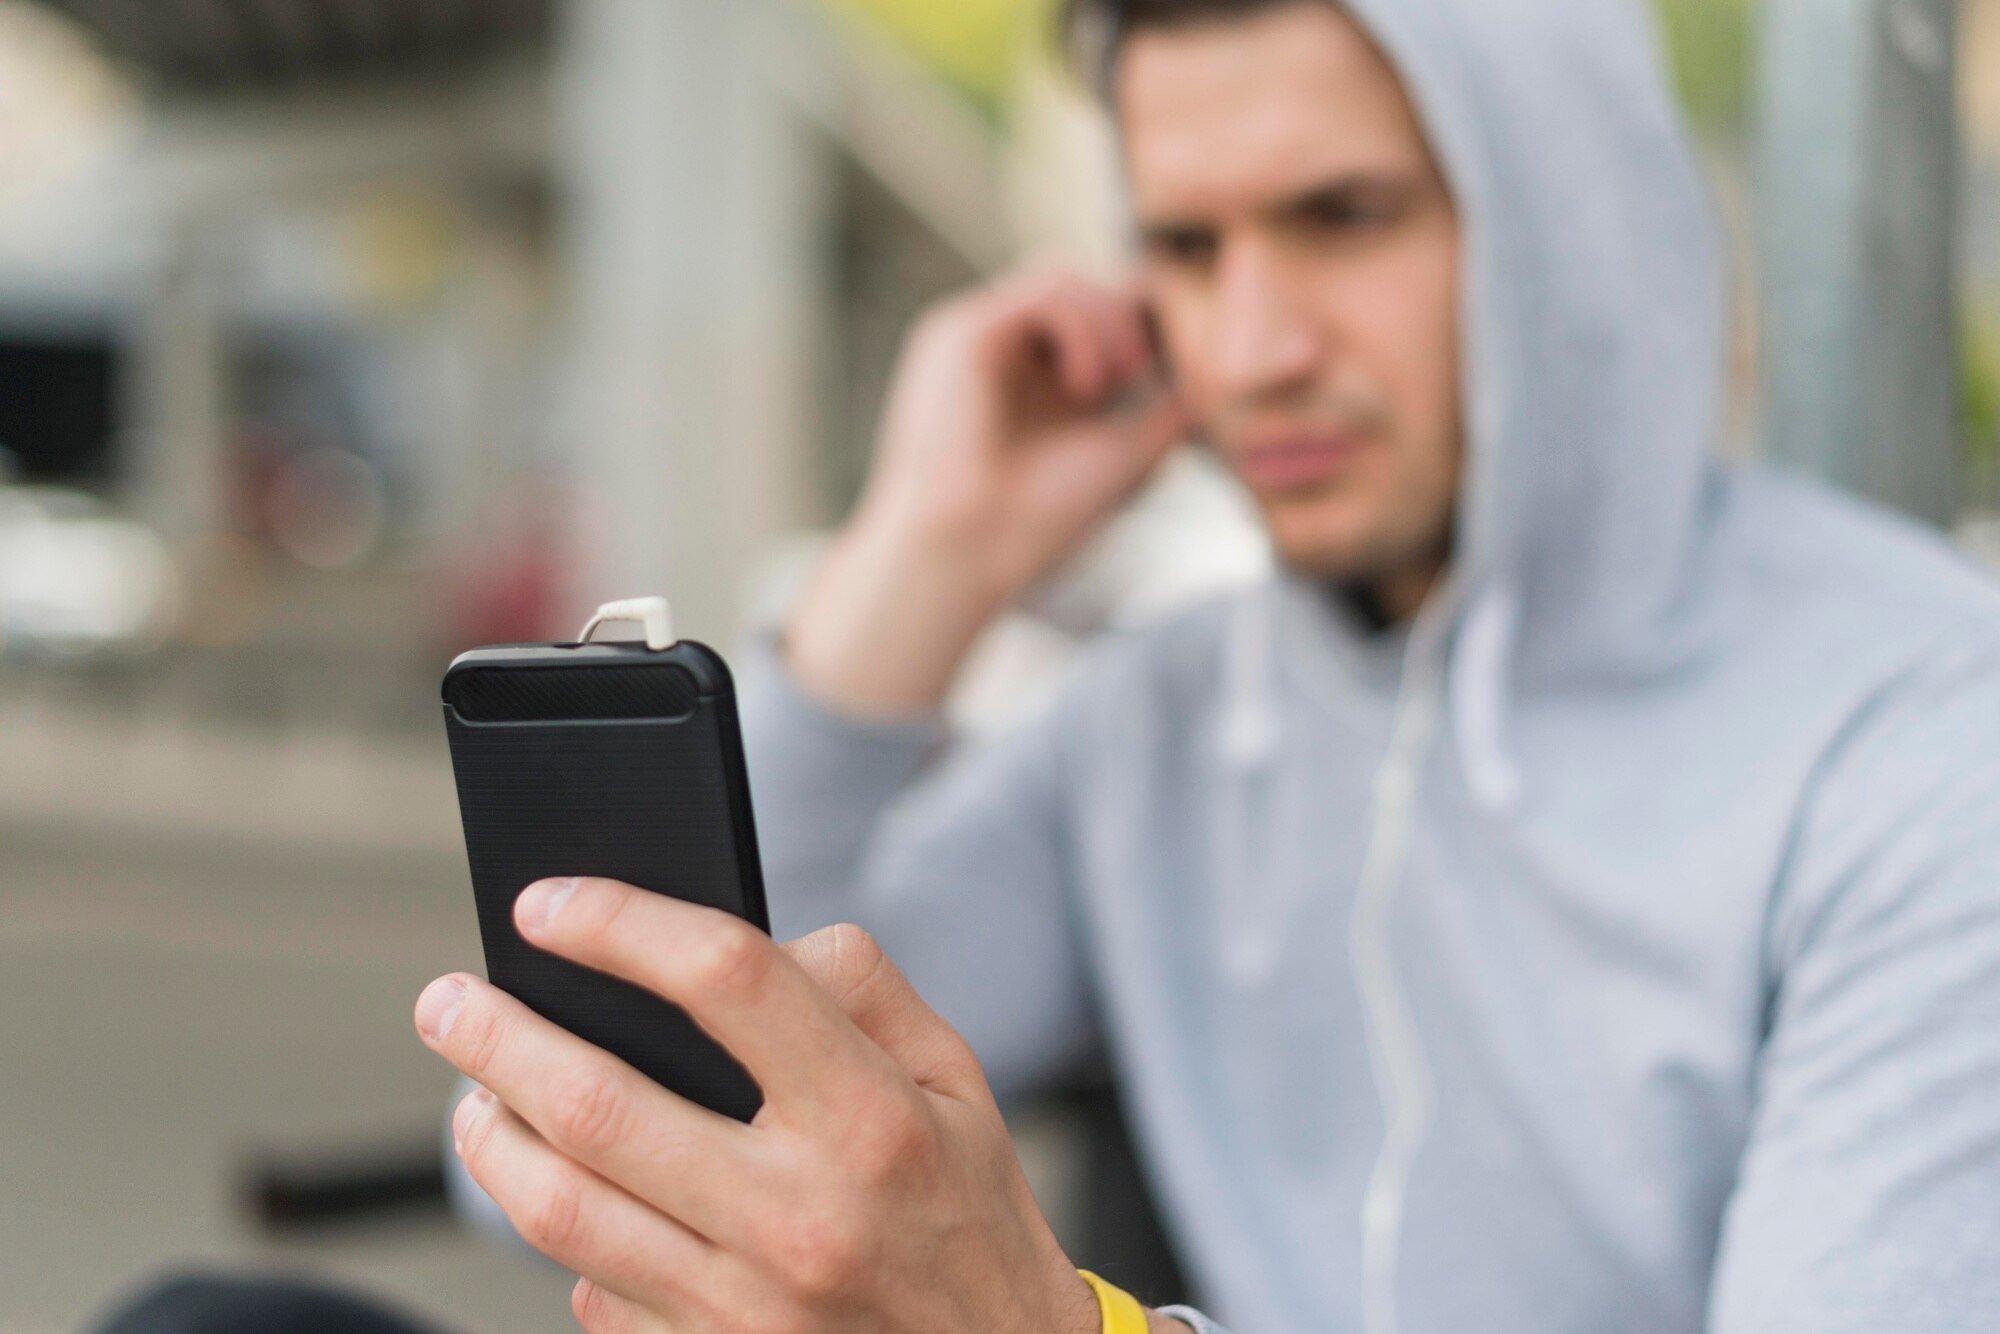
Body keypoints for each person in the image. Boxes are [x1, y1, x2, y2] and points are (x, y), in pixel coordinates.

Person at [414, 1, 2000, 1331]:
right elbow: (571, 1167)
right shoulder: (1160, 719)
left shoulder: (1925, 737)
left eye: (1343, 216)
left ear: (1571, 221)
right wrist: (926, 556)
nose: (1251, 349)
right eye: (1185, 244)